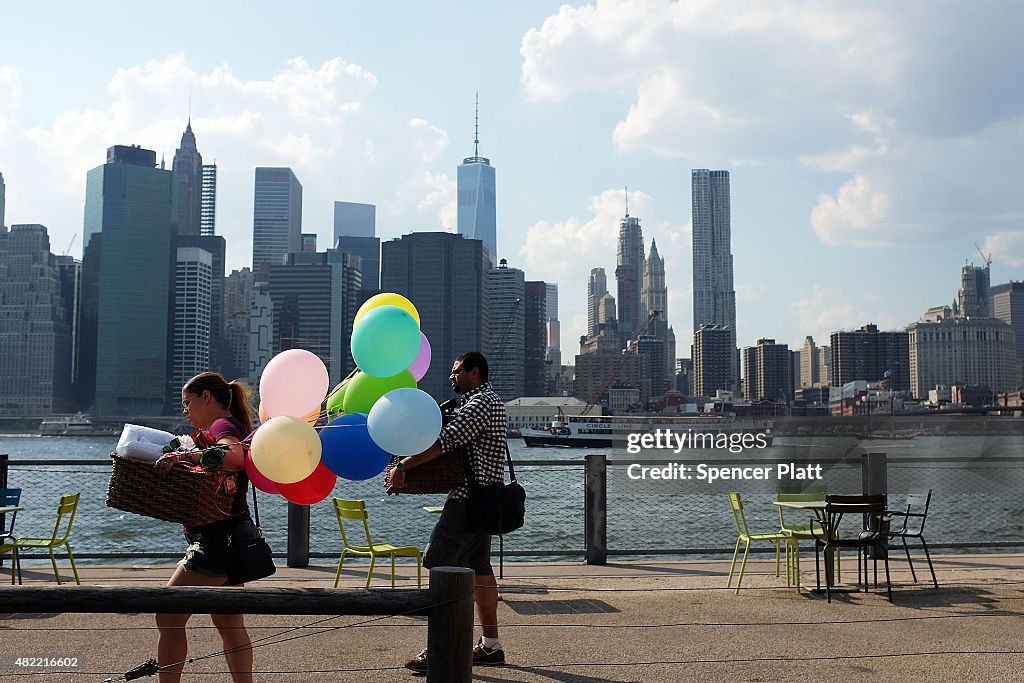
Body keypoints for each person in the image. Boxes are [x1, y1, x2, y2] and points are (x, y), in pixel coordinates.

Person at [385, 351, 508, 673]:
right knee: (479, 571)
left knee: (441, 565)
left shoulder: (481, 403)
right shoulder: (482, 401)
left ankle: (442, 648)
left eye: (457, 372)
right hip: (483, 500)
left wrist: (403, 465)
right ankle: (491, 646)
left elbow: (445, 442)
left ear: (475, 373)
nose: (452, 377)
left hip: (468, 500)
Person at [153, 372, 258, 683]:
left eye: (188, 403)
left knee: (168, 614)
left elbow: (234, 457)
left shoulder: (222, 426)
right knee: (228, 620)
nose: (185, 410)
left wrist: (184, 454)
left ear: (207, 398)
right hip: (234, 533)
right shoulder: (231, 425)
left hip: (216, 539)